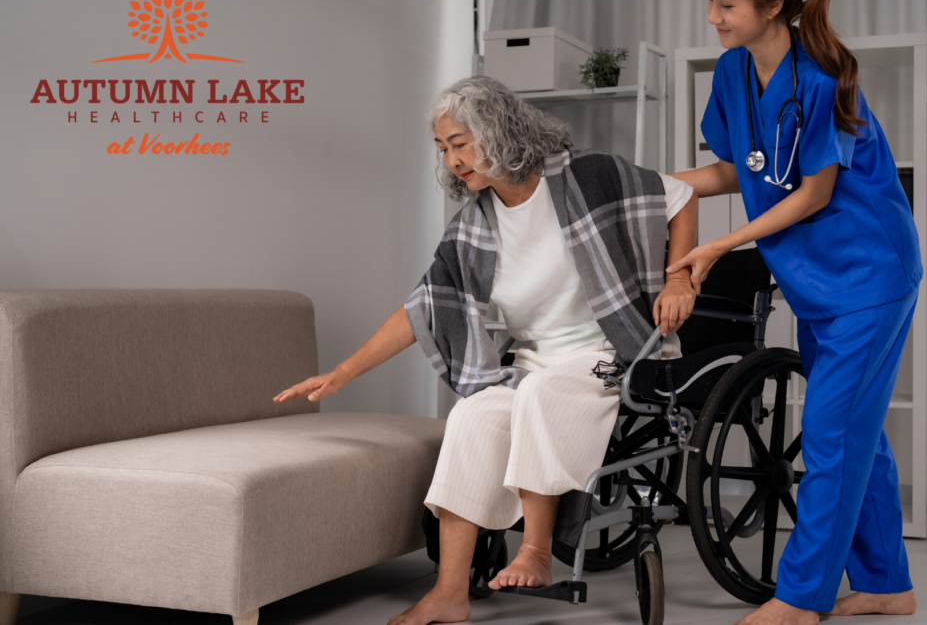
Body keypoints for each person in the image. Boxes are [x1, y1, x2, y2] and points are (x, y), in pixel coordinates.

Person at [274, 75, 698, 625]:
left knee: (541, 394)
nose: (452, 160)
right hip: (531, 360)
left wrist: (680, 280)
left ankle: (538, 551)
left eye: (461, 142)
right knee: (473, 415)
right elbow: (423, 308)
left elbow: (681, 196)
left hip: (608, 352)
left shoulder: (585, 177)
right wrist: (342, 372)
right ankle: (449, 591)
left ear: (499, 131)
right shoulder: (473, 227)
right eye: (443, 148)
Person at [669, 0, 922, 624]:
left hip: (869, 275)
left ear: (771, 5)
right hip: (816, 282)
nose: (713, 15)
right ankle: (887, 584)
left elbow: (812, 193)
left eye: (727, 3)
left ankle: (800, 597)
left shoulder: (823, 76)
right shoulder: (731, 73)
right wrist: (661, 187)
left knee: (831, 432)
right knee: (856, 428)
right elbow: (742, 168)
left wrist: (721, 242)